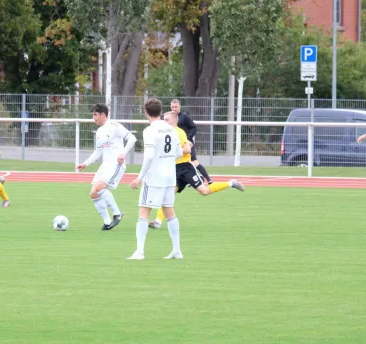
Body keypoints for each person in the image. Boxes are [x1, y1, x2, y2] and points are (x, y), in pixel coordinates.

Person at [149, 111, 245, 229]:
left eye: (167, 119)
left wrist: (173, 150)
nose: (164, 121)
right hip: (173, 169)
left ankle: (231, 183)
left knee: (204, 191)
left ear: (174, 120)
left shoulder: (179, 132)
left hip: (185, 168)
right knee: (167, 195)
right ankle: (158, 221)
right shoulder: (167, 133)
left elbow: (187, 149)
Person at [128, 98, 183, 260]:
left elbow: (150, 156)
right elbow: (179, 153)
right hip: (169, 177)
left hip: (154, 178)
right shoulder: (171, 128)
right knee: (169, 212)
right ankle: (177, 250)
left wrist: (139, 177)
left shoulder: (149, 130)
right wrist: (166, 161)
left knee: (144, 211)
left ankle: (139, 252)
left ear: (146, 112)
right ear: (160, 112)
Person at [76, 104, 137, 230]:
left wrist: (123, 153)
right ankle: (108, 222)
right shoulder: (99, 132)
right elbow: (98, 151)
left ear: (103, 115)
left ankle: (117, 214)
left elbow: (132, 138)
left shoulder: (115, 126)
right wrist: (85, 163)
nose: (93, 118)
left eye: (95, 115)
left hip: (116, 164)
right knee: (93, 193)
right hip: (105, 165)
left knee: (98, 188)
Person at [170, 99, 213, 184]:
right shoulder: (170, 118)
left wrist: (188, 139)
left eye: (176, 107)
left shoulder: (184, 117)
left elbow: (193, 127)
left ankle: (208, 179)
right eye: (172, 107)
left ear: (179, 107)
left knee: (194, 162)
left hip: (186, 144)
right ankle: (194, 179)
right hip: (176, 144)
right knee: (181, 163)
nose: (174, 108)